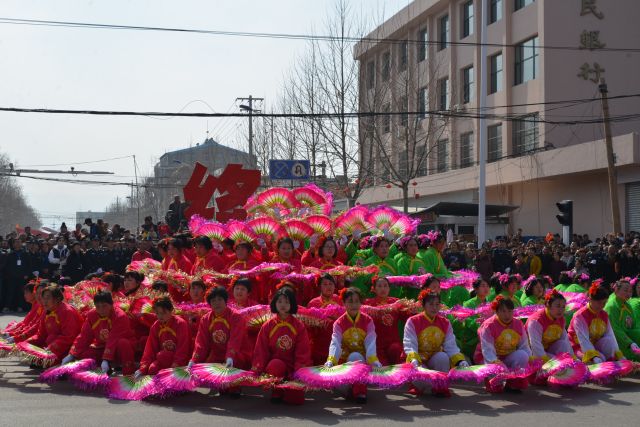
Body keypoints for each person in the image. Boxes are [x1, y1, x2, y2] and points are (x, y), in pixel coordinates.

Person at [252, 288, 312, 405]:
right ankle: (276, 390)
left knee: (296, 400)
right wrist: (257, 371)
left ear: (292, 304)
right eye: (279, 301)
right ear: (275, 303)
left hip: (292, 367)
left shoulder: (299, 326)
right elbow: (261, 350)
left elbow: (303, 351)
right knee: (276, 364)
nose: (283, 305)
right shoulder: (267, 326)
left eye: (286, 302)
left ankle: (288, 388)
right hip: (275, 366)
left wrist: (298, 373)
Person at [404, 289, 467, 397]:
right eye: (431, 304)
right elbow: (410, 342)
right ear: (423, 305)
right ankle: (417, 385)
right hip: (418, 359)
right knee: (420, 380)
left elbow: (450, 345)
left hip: (435, 358)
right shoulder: (413, 321)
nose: (434, 307)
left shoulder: (445, 323)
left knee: (443, 357)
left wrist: (460, 360)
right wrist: (414, 358)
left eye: (437, 304)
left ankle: (439, 386)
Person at [325, 287, 381, 404]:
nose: (354, 304)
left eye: (357, 301)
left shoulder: (368, 321)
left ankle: (360, 391)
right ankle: (352, 389)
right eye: (350, 301)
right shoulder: (339, 323)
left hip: (362, 361)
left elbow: (371, 341)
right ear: (344, 303)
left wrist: (373, 360)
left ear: (361, 302)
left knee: (356, 356)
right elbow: (335, 341)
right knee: (339, 385)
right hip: (344, 361)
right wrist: (331, 360)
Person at [64, 291, 137, 375]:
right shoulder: (92, 315)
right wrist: (72, 354)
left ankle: (128, 373)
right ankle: (101, 372)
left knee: (123, 343)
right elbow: (84, 336)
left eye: (104, 306)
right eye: (98, 306)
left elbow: (113, 338)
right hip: (102, 346)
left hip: (119, 347)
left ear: (111, 304)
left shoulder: (120, 316)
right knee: (84, 354)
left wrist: (106, 359)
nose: (101, 309)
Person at [475, 296, 532, 392]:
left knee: (523, 355)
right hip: (490, 358)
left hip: (508, 355)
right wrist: (499, 364)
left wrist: (531, 359)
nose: (507, 315)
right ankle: (495, 382)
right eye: (503, 311)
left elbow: (524, 345)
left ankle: (513, 384)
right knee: (496, 387)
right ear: (496, 312)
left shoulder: (518, 323)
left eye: (510, 311)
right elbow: (487, 350)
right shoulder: (489, 325)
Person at [26, 285, 82, 365]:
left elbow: (69, 337)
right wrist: (26, 343)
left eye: (48, 298)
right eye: (43, 298)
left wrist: (51, 348)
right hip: (51, 345)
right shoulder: (46, 311)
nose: (44, 301)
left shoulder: (67, 311)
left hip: (67, 347)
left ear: (57, 299)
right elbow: (41, 334)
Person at [135, 296, 191, 377]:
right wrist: (143, 368)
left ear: (171, 310)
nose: (160, 316)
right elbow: (150, 349)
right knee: (152, 369)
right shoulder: (156, 326)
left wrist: (176, 365)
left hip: (179, 361)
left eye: (163, 313)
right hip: (162, 359)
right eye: (157, 313)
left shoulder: (181, 324)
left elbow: (183, 348)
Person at [568, 283, 623, 364]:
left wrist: (618, 355)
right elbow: (583, 340)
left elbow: (610, 335)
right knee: (600, 359)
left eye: (604, 303)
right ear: (590, 299)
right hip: (578, 347)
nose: (602, 306)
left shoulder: (604, 314)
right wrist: (593, 356)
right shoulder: (580, 316)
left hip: (595, 344)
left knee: (609, 341)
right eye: (599, 302)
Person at [364, 277, 404, 366]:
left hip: (394, 344)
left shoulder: (397, 302)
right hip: (376, 345)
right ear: (374, 289)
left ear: (389, 288)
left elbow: (408, 317)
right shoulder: (367, 304)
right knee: (381, 371)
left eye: (385, 286)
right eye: (379, 286)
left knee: (400, 365)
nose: (383, 289)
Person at [526, 290, 573, 362]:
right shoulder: (536, 321)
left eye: (563, 307)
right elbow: (535, 345)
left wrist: (573, 358)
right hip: (533, 352)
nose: (561, 310)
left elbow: (565, 339)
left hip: (548, 350)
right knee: (559, 362)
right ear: (548, 305)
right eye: (558, 306)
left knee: (563, 344)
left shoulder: (561, 319)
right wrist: (549, 363)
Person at [307, 274, 342, 365]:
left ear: (334, 286)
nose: (328, 287)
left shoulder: (339, 300)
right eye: (325, 284)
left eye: (330, 284)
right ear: (320, 287)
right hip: (319, 342)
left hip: (338, 340)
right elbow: (309, 325)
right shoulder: (313, 303)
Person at [604, 280, 640, 361]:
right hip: (615, 339)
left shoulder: (627, 305)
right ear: (616, 290)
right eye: (625, 290)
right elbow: (614, 329)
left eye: (630, 291)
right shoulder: (611, 306)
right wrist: (630, 342)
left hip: (627, 336)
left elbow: (634, 325)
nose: (629, 294)